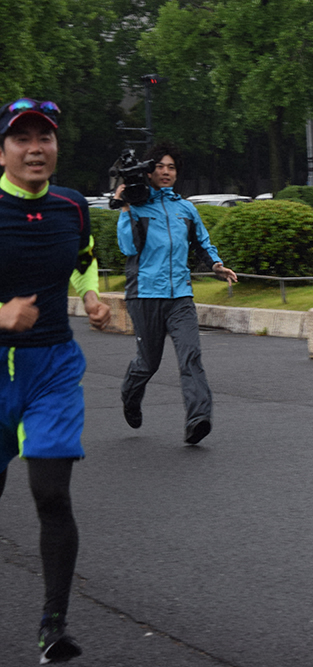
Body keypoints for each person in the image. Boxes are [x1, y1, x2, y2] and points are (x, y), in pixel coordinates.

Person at [0, 97, 111, 663]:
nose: (36, 147)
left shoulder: (71, 206)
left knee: (51, 493)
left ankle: (54, 626)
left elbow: (84, 256)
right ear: (3, 150)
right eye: (23, 138)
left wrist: (90, 293)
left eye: (45, 137)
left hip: (52, 367)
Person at [115, 142, 237, 444]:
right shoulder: (138, 206)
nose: (166, 172)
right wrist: (125, 208)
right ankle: (130, 396)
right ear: (149, 170)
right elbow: (128, 248)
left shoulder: (186, 209)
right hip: (144, 295)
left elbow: (201, 241)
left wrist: (216, 264)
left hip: (180, 296)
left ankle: (198, 419)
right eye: (160, 166)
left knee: (190, 356)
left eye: (171, 167)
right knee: (147, 363)